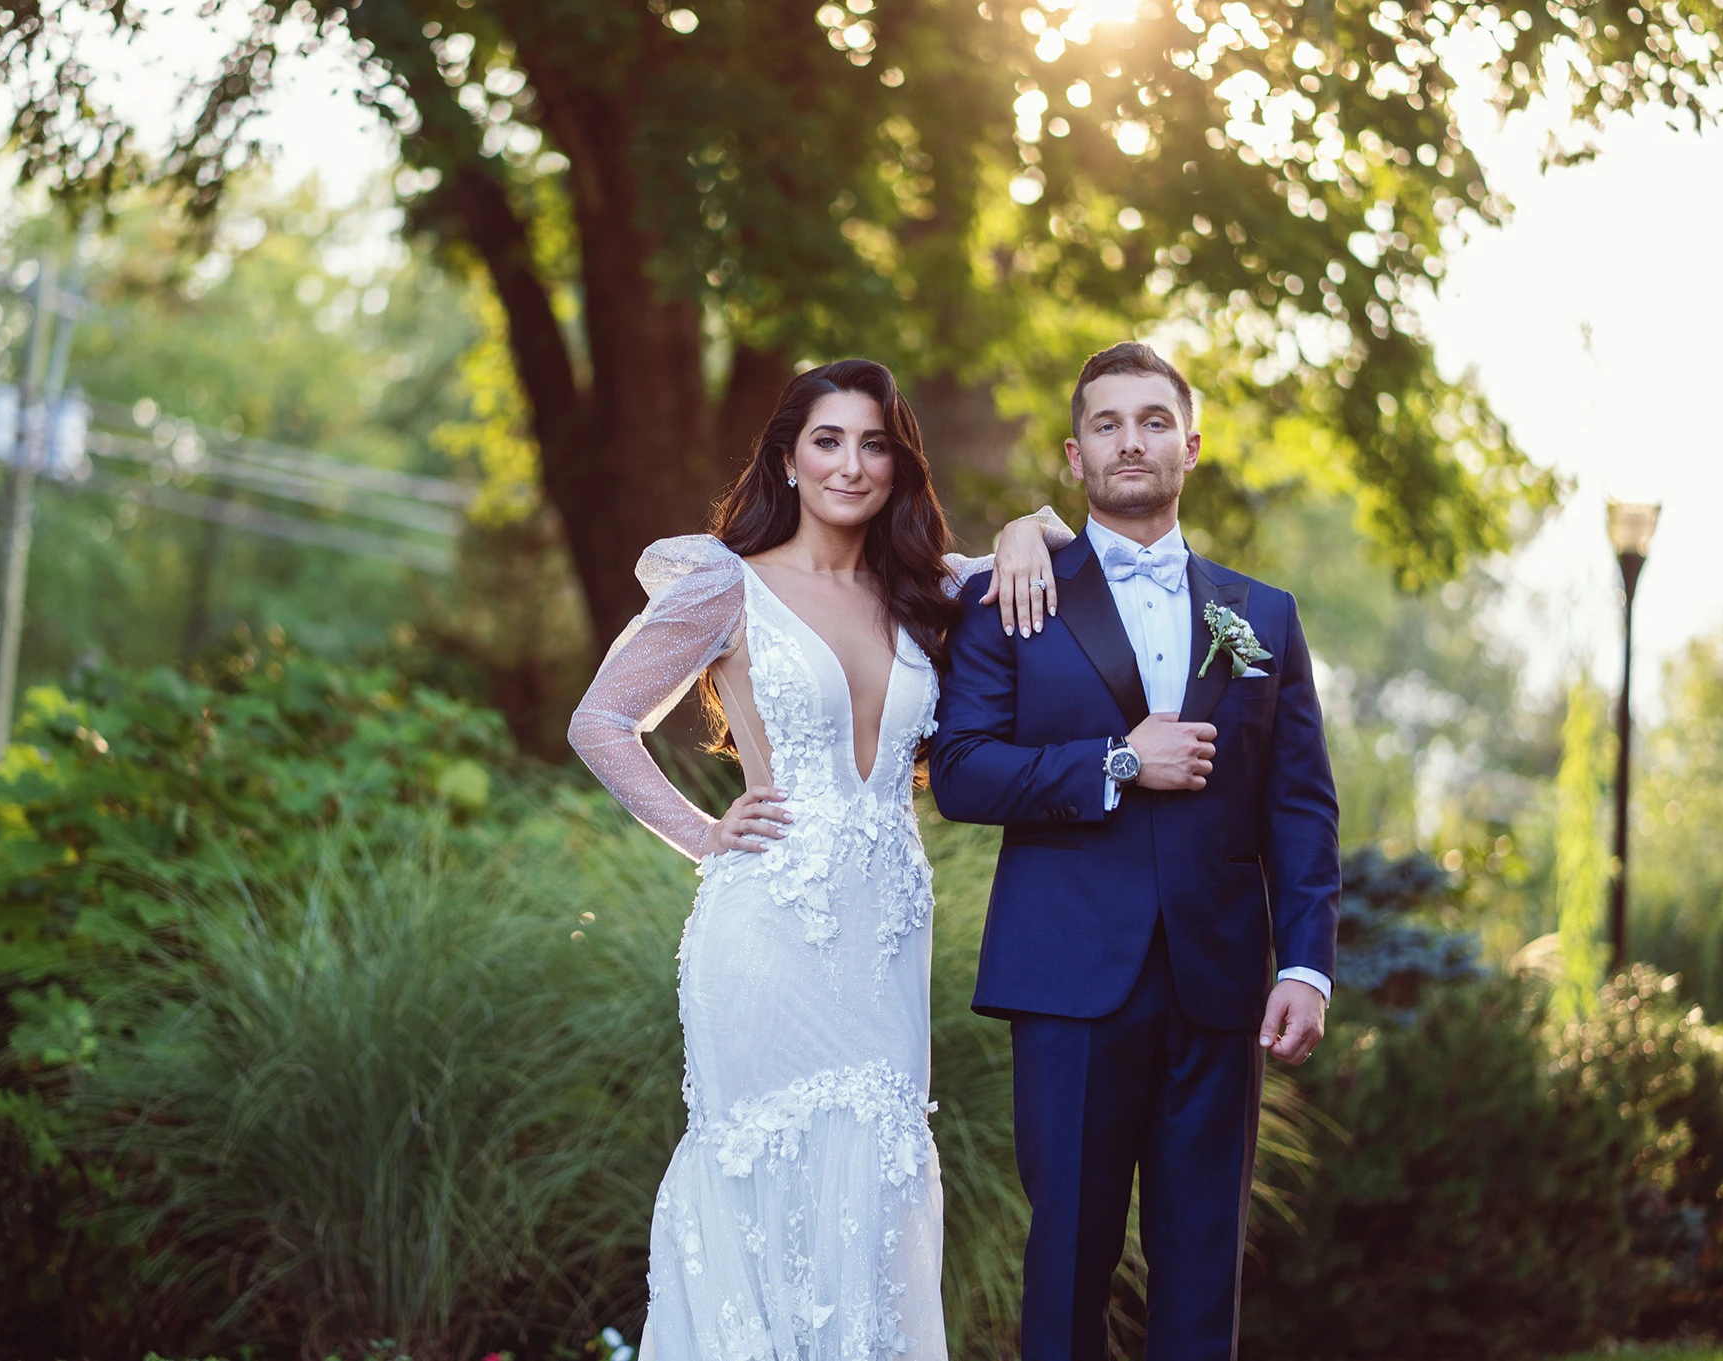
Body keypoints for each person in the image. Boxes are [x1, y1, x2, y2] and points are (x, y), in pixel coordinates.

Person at [567, 358, 1071, 1361]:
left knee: (877, 1182)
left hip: (882, 941)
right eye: (827, 440)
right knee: (758, 1175)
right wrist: (701, 833)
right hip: (766, 931)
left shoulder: (928, 587)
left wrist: (1028, 523)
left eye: (873, 442)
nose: (850, 462)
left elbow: (1062, 546)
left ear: (897, 462)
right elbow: (601, 720)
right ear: (788, 460)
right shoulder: (725, 582)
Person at [929, 342, 1341, 1361]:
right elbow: (963, 771)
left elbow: (1299, 804)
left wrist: (1302, 961)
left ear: (1187, 445)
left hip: (1217, 980)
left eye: (1152, 420)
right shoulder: (1011, 597)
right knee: (1067, 1262)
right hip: (1067, 979)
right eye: (1106, 423)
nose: (1130, 440)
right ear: (1074, 457)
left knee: (1203, 1264)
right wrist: (1115, 760)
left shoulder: (1261, 615)